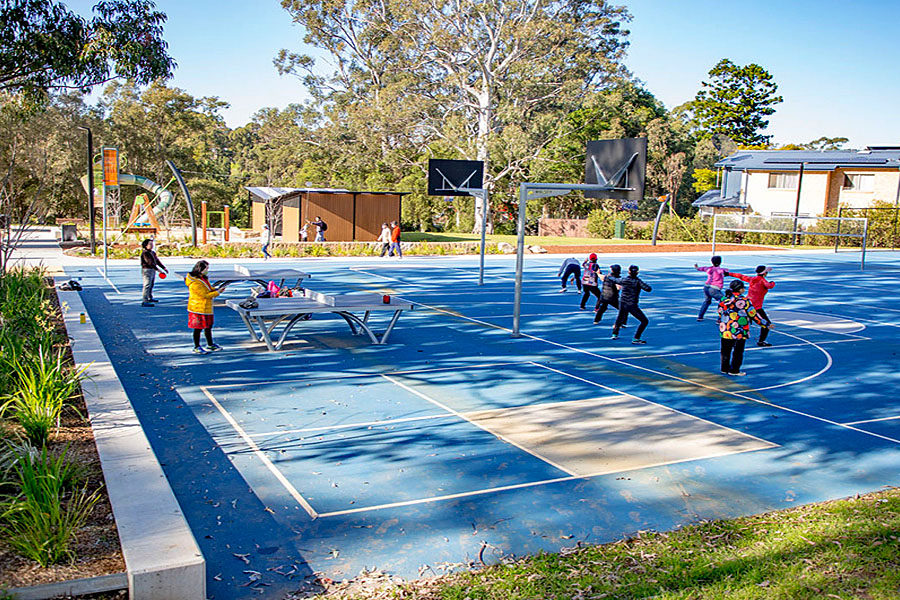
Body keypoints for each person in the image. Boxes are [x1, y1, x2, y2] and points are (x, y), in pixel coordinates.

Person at [718, 279, 769, 375]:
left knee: (725, 350)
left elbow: (720, 311)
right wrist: (765, 324)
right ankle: (734, 370)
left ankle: (724, 368)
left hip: (725, 328)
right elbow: (753, 314)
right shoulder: (744, 301)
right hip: (739, 329)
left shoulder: (724, 299)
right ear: (740, 289)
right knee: (738, 351)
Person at [727, 265, 776, 347]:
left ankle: (733, 339)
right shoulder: (763, 281)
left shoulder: (752, 279)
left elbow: (740, 276)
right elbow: (769, 286)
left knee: (739, 322)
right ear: (765, 273)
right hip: (756, 307)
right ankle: (761, 341)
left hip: (747, 304)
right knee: (765, 324)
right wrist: (773, 283)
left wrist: (729, 273)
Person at [185, 260, 222, 354]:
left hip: (206, 307)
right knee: (198, 328)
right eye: (206, 268)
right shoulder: (195, 283)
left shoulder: (203, 278)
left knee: (208, 326)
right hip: (198, 308)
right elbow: (204, 295)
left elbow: (208, 288)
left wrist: (215, 289)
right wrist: (218, 293)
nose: (207, 270)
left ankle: (210, 344)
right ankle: (196, 346)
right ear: (200, 269)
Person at [608, 265, 651, 344]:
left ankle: (615, 333)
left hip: (623, 303)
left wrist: (609, 276)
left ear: (629, 272)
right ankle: (636, 338)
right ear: (637, 272)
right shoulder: (638, 281)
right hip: (632, 305)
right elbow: (648, 289)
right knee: (644, 321)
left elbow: (614, 280)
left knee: (619, 318)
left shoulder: (624, 280)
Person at [694, 255, 727, 321]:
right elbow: (724, 272)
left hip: (706, 287)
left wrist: (697, 267)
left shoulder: (708, 268)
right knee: (724, 301)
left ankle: (700, 316)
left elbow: (702, 268)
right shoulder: (720, 270)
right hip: (714, 288)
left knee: (707, 301)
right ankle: (720, 319)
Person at [140, 238, 168, 307]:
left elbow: (157, 261)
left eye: (152, 244)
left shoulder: (152, 252)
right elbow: (150, 263)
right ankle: (145, 300)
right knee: (147, 285)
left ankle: (150, 297)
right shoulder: (145, 253)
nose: (151, 245)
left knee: (151, 284)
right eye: (150, 244)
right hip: (147, 270)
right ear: (145, 245)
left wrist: (163, 268)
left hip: (152, 270)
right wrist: (158, 270)